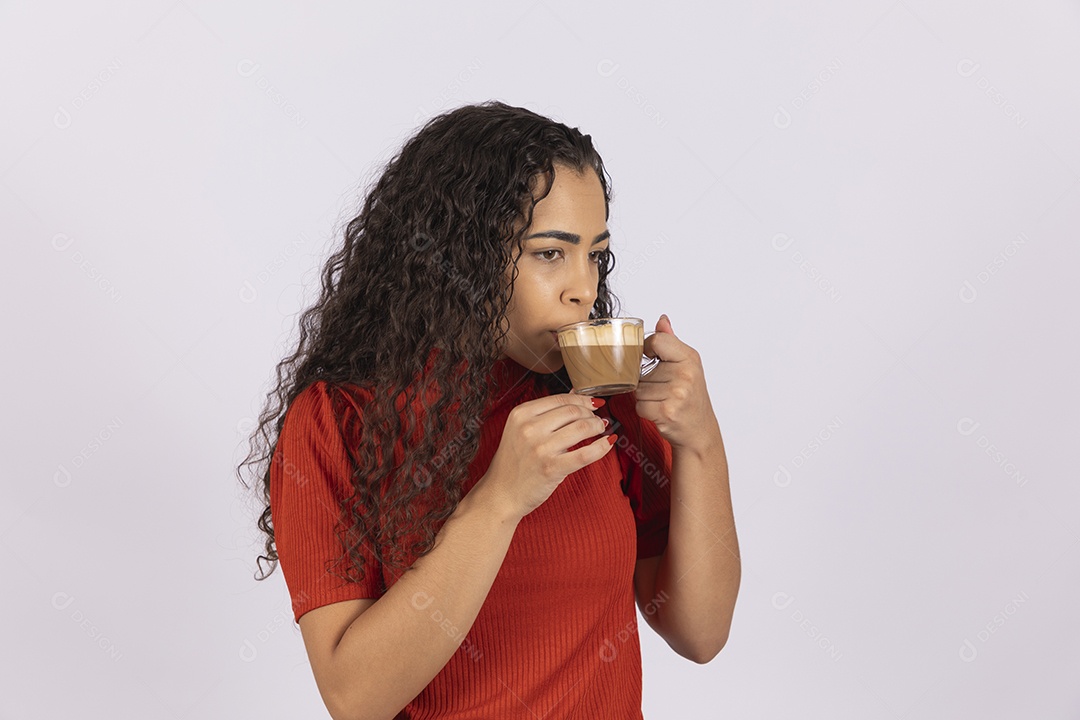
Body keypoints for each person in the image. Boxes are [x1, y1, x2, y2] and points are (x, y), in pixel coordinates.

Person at [237, 100, 740, 719]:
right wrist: (499, 501)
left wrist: (700, 443)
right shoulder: (338, 419)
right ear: (461, 257)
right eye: (550, 253)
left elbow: (700, 633)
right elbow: (354, 698)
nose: (584, 287)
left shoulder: (606, 400)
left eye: (596, 254)